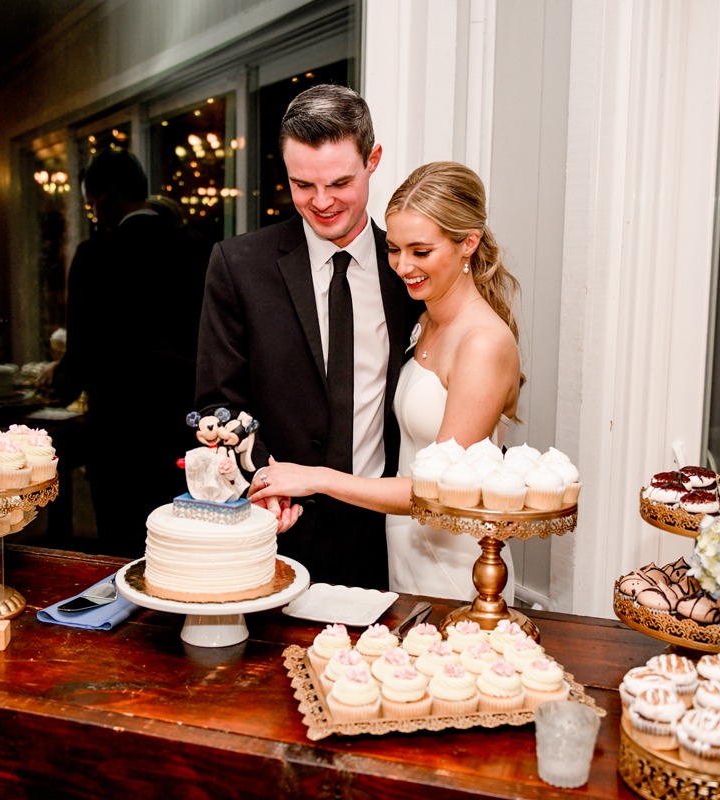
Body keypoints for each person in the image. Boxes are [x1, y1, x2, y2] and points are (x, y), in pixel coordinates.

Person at [250, 161, 523, 604]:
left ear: (468, 243)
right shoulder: (425, 322)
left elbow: (436, 489)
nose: (402, 265)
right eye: (394, 249)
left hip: (455, 564)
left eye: (421, 251)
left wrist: (317, 477)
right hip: (403, 548)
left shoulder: (483, 343)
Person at [194, 84, 422, 590]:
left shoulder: (408, 272)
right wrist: (256, 482)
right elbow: (219, 402)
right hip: (275, 532)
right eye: (303, 184)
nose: (321, 203)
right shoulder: (239, 265)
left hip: (387, 537)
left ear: (373, 160)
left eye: (340, 182)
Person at [47, 146, 210, 556]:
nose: (94, 214)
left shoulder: (95, 256)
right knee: (183, 546)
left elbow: (81, 353)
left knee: (123, 550)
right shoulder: (198, 248)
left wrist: (57, 386)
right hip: (184, 428)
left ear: (104, 197)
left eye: (90, 205)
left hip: (119, 434)